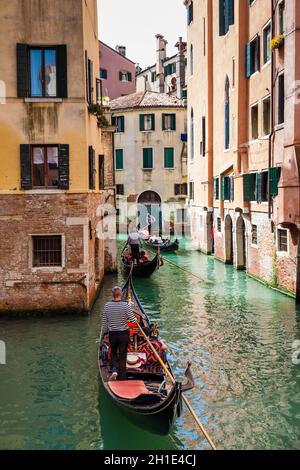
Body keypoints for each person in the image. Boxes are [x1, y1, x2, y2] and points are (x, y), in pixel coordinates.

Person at [102, 287, 137, 381]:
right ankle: (122, 378)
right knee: (122, 355)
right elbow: (133, 320)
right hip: (123, 334)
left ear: (112, 295)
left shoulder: (107, 306)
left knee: (113, 353)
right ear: (121, 295)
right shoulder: (126, 305)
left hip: (112, 334)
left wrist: (104, 333)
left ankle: (114, 370)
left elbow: (105, 322)